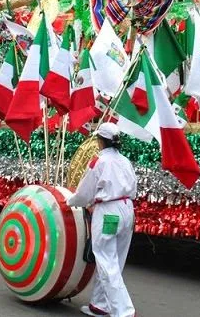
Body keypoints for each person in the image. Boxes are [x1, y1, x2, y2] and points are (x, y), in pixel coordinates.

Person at [67, 122, 137, 317]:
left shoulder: (99, 161)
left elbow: (84, 192)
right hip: (127, 210)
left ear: (101, 141)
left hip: (109, 211)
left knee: (106, 261)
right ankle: (100, 305)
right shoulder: (125, 161)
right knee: (115, 261)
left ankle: (124, 312)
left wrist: (68, 200)